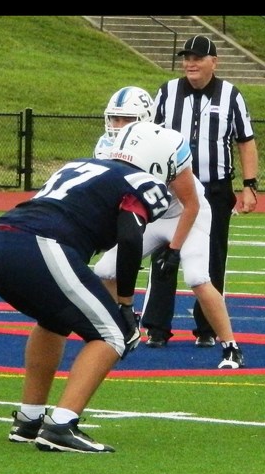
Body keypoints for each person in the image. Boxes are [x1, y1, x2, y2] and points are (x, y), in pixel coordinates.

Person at [0, 121, 178, 453]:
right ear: (158, 160)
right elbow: (130, 238)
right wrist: (126, 305)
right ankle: (61, 426)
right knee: (112, 334)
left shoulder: (82, 165)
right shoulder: (141, 180)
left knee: (54, 320)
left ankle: (29, 420)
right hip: (40, 243)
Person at [91, 87, 246, 369]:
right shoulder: (106, 146)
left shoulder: (166, 144)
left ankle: (230, 346)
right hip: (152, 214)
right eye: (114, 119)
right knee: (104, 270)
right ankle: (122, 327)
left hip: (187, 212)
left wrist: (173, 249)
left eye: (125, 120)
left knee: (197, 277)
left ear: (145, 119)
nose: (117, 126)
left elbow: (191, 204)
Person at [142, 34, 260, 350]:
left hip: (215, 189)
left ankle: (207, 327)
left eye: (197, 58)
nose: (190, 63)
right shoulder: (166, 93)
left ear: (214, 62)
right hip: (172, 190)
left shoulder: (231, 96)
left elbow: (245, 141)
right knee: (164, 252)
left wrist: (249, 186)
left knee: (212, 258)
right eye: (186, 58)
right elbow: (148, 135)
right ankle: (156, 326)